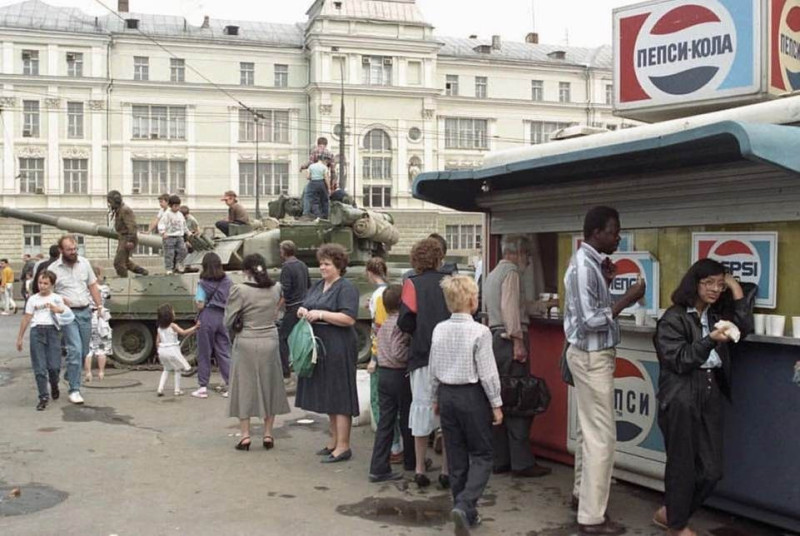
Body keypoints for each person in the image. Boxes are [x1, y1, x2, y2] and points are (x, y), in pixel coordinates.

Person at [653, 259, 752, 536]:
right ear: (694, 283)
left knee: (712, 470)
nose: (715, 289)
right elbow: (680, 359)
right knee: (682, 463)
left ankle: (670, 514)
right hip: (681, 393)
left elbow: (743, 327)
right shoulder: (673, 317)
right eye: (708, 283)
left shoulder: (716, 312)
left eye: (720, 284)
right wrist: (710, 339)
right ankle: (677, 525)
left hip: (710, 390)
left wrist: (735, 288)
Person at [563, 206, 645, 536]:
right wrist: (627, 298)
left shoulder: (590, 264)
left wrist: (608, 284)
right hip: (592, 356)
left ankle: (582, 495)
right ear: (596, 233)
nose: (619, 237)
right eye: (614, 231)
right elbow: (591, 320)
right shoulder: (584, 266)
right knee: (603, 439)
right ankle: (591, 518)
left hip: (587, 355)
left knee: (588, 432)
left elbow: (591, 310)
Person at [429, 275, 503, 535]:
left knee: (456, 455)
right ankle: (465, 504)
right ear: (472, 300)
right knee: (482, 454)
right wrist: (496, 404)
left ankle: (465, 511)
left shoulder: (439, 329)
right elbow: (488, 372)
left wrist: (434, 398)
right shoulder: (480, 332)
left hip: (447, 395)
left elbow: (433, 368)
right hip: (472, 396)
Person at [485, 235, 551, 478]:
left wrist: (543, 305)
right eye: (527, 255)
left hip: (495, 340)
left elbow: (517, 305)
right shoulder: (512, 272)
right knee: (520, 399)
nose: (529, 260)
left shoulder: (493, 274)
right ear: (518, 252)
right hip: (509, 340)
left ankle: (500, 458)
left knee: (501, 398)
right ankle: (522, 462)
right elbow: (511, 309)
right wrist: (518, 342)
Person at [295, 243, 360, 463]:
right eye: (321, 263)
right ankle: (333, 442)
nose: (322, 267)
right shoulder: (318, 285)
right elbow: (306, 304)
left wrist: (321, 314)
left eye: (327, 264)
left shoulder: (346, 288)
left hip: (339, 345)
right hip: (321, 347)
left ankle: (343, 446)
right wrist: (303, 310)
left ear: (338, 266)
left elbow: (349, 318)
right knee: (329, 394)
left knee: (340, 395)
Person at [398, 238, 451, 488]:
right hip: (450, 356)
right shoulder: (449, 283)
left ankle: (420, 468)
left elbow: (405, 320)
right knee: (448, 413)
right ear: (439, 258)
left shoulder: (412, 284)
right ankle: (447, 470)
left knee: (421, 409)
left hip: (421, 354)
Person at [226, 253, 290, 451]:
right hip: (270, 340)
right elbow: (278, 312)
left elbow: (228, 320)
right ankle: (268, 434)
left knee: (244, 387)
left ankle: (245, 436)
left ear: (246, 271)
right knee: (269, 385)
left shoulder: (239, 290)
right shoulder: (276, 288)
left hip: (246, 341)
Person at [368, 284, 416, 482]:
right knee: (407, 419)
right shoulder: (399, 325)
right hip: (399, 375)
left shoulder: (384, 323)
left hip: (384, 375)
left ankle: (378, 466)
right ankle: (411, 461)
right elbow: (398, 352)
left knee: (386, 422)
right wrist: (411, 355)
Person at [49, 235, 104, 405]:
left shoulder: (84, 263)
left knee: (84, 351)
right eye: (69, 250)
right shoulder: (53, 269)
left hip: (85, 311)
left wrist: (99, 305)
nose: (73, 252)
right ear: (61, 251)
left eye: (75, 249)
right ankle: (74, 389)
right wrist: (58, 298)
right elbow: (46, 291)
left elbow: (92, 285)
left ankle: (70, 373)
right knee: (75, 349)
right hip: (67, 314)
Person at [365, 257, 404, 464]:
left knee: (380, 405)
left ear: (369, 273)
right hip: (392, 359)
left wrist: (373, 358)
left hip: (383, 360)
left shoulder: (378, 296)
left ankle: (394, 447)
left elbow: (377, 330)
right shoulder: (386, 293)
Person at [15, 271, 69, 411]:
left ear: (52, 284)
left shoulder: (56, 298)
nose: (42, 286)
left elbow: (65, 312)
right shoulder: (33, 299)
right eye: (40, 283)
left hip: (53, 332)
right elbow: (27, 317)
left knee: (54, 367)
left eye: (46, 283)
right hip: (37, 331)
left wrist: (57, 309)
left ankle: (54, 383)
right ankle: (43, 397)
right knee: (39, 368)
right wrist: (20, 337)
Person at [192, 252, 232, 399]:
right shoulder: (227, 280)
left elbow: (200, 304)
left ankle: (202, 387)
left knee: (204, 353)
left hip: (207, 316)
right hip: (222, 317)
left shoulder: (203, 282)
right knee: (224, 352)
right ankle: (231, 385)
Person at [278, 240, 310, 379]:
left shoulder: (287, 267)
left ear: (284, 252)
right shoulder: (302, 265)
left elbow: (285, 290)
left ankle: (285, 371)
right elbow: (308, 284)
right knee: (303, 337)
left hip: (292, 308)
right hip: (304, 305)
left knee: (282, 338)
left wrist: (277, 307)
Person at [155, 303, 198, 397]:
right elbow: (183, 332)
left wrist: (160, 350)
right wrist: (195, 327)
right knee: (177, 369)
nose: (174, 313)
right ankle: (177, 390)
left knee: (166, 369)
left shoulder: (160, 328)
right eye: (173, 311)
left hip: (162, 351)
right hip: (172, 350)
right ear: (169, 315)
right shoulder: (172, 325)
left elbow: (157, 342)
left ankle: (160, 388)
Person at [107, 190, 149, 277]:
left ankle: (124, 282)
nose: (110, 204)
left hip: (127, 238)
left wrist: (130, 241)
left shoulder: (125, 210)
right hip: (123, 238)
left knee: (118, 263)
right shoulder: (119, 210)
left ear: (116, 201)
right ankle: (143, 272)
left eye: (110, 202)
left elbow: (132, 227)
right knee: (125, 262)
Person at [84, 266, 113, 382]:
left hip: (88, 317)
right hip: (101, 318)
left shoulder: (85, 290)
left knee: (88, 348)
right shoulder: (104, 288)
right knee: (102, 347)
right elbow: (109, 296)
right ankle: (101, 372)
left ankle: (88, 373)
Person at [159, 195, 188, 275]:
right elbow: (161, 223)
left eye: (178, 206)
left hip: (179, 236)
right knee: (169, 253)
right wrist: (163, 232)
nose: (177, 208)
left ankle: (178, 264)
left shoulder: (180, 214)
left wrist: (188, 232)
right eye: (175, 206)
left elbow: (184, 225)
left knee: (183, 251)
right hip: (169, 236)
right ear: (170, 206)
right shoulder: (167, 214)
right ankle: (169, 268)